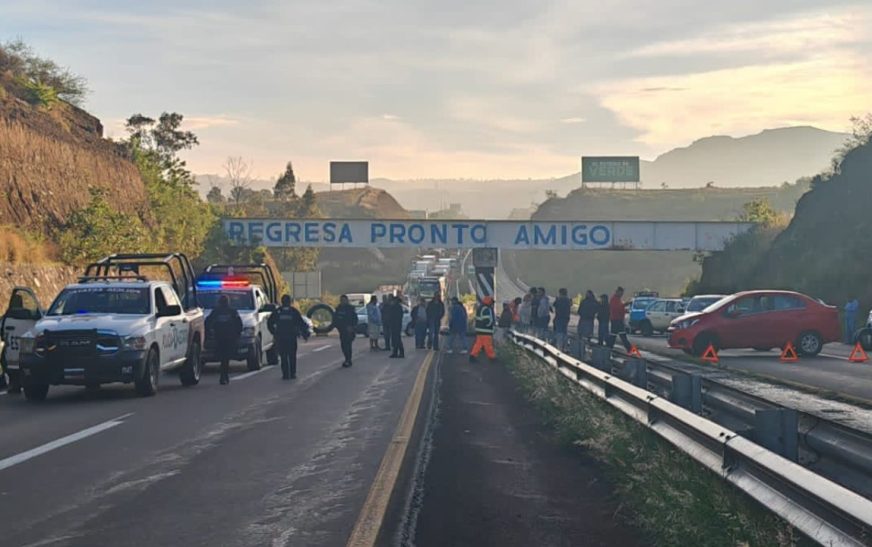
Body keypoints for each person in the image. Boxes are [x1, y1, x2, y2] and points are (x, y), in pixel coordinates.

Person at [267, 295, 309, 380]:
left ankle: (286, 374)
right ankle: (292, 374)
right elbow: (301, 324)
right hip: (291, 338)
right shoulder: (293, 312)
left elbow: (270, 323)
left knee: (284, 356)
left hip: (281, 338)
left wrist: (274, 332)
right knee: (292, 356)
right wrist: (305, 334)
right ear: (290, 302)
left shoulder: (278, 311)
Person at [205, 294, 243, 385]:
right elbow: (239, 324)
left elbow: (208, 322)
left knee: (223, 358)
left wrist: (209, 333)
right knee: (225, 358)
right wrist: (237, 335)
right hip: (227, 338)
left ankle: (223, 376)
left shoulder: (217, 311)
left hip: (221, 338)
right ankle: (224, 376)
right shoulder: (231, 311)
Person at [333, 295, 358, 368]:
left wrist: (352, 327)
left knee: (348, 345)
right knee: (343, 345)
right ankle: (346, 358)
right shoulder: (338, 309)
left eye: (344, 300)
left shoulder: (350, 308)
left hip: (349, 330)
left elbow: (355, 318)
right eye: (341, 300)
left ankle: (348, 360)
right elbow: (335, 318)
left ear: (347, 300)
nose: (343, 301)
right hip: (342, 330)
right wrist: (336, 326)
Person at [470, 296, 496, 362]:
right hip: (486, 331)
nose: (492, 304)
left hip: (479, 330)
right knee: (488, 345)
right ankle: (491, 357)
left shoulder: (480, 308)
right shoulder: (486, 309)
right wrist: (491, 325)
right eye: (492, 302)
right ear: (489, 302)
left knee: (478, 344)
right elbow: (487, 320)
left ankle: (473, 355)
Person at [609, 287, 632, 351]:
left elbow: (619, 308)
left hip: (617, 319)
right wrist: (624, 305)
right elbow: (617, 309)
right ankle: (630, 349)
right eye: (621, 292)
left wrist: (624, 308)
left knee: (614, 336)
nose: (622, 294)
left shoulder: (618, 299)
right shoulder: (614, 299)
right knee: (621, 335)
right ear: (618, 292)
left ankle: (609, 348)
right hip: (616, 320)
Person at [388, 294, 406, 358]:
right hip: (395, 325)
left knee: (397, 339)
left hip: (396, 325)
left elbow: (396, 317)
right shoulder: (396, 307)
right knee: (395, 339)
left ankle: (400, 352)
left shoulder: (397, 307)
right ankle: (395, 352)